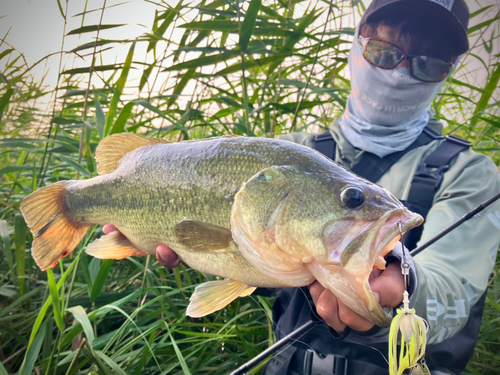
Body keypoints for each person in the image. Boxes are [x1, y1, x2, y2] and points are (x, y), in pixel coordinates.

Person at [104, 0, 500, 373]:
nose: (399, 72)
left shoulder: (470, 172)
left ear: (447, 73)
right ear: (356, 46)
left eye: (428, 65)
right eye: (382, 51)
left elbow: (453, 290)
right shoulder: (291, 152)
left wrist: (405, 280)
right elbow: (242, 250)